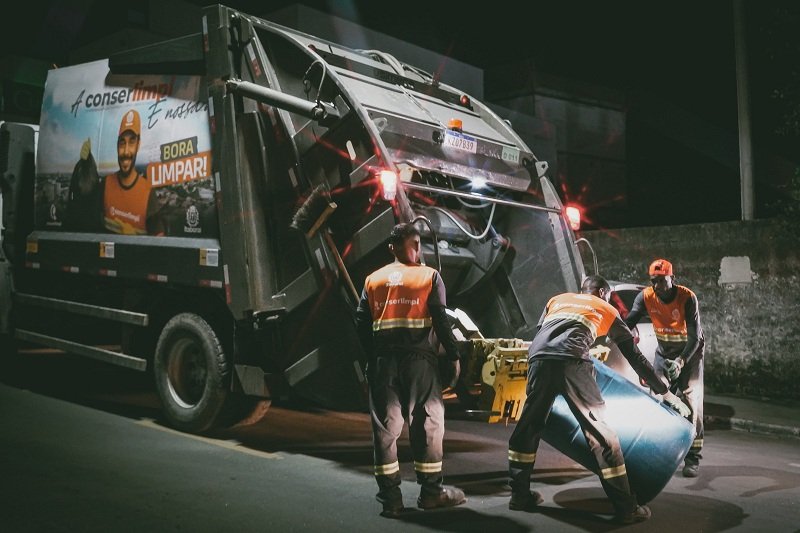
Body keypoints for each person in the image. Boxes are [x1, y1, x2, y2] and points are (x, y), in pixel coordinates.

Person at [507, 275, 690, 524]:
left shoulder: (557, 300)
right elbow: (634, 356)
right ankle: (626, 508)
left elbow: (544, 334)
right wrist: (665, 392)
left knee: (528, 427)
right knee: (602, 436)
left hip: (538, 359)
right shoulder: (606, 307)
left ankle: (519, 495)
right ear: (603, 292)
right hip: (572, 362)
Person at [355, 222, 466, 518]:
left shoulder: (372, 280)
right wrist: (454, 357)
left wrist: (372, 359)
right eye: (413, 244)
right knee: (428, 423)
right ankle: (431, 493)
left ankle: (391, 500)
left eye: (419, 243)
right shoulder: (429, 277)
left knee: (385, 430)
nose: (417, 249)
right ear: (395, 247)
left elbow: (360, 324)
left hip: (383, 363)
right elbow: (442, 322)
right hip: (419, 363)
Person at [624, 258, 705, 478]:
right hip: (663, 353)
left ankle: (692, 458)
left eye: (662, 281)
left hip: (689, 355)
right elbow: (628, 321)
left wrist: (681, 362)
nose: (658, 286)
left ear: (672, 278)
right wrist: (613, 334)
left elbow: (695, 337)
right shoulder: (646, 297)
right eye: (654, 281)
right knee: (657, 399)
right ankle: (658, 453)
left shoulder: (687, 297)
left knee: (691, 402)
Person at [101, 109, 163, 235]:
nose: (126, 151)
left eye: (132, 142)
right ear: (117, 146)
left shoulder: (148, 192)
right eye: (122, 143)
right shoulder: (105, 184)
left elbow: (160, 244)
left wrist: (133, 239)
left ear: (138, 144)